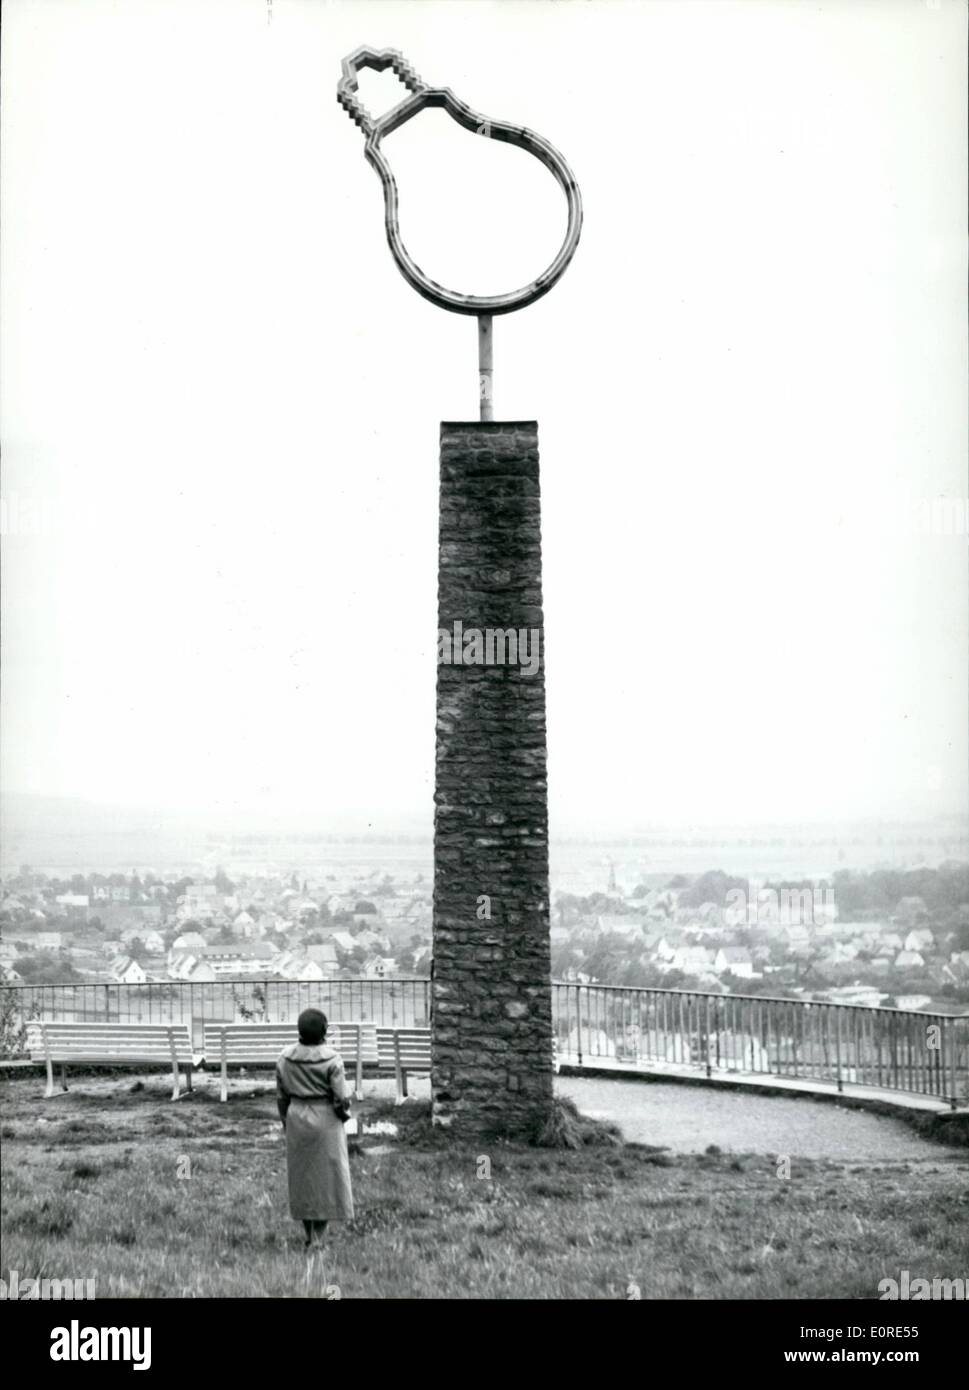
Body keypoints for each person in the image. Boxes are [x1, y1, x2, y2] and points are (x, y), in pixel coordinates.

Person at [276, 1008, 354, 1248]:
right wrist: (343, 1115)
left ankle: (309, 1236)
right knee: (326, 1180)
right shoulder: (332, 1059)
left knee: (303, 1179)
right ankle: (319, 1239)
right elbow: (340, 1097)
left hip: (297, 1116)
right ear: (325, 1031)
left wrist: (286, 1121)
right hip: (326, 1119)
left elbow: (281, 1095)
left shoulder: (285, 1058)